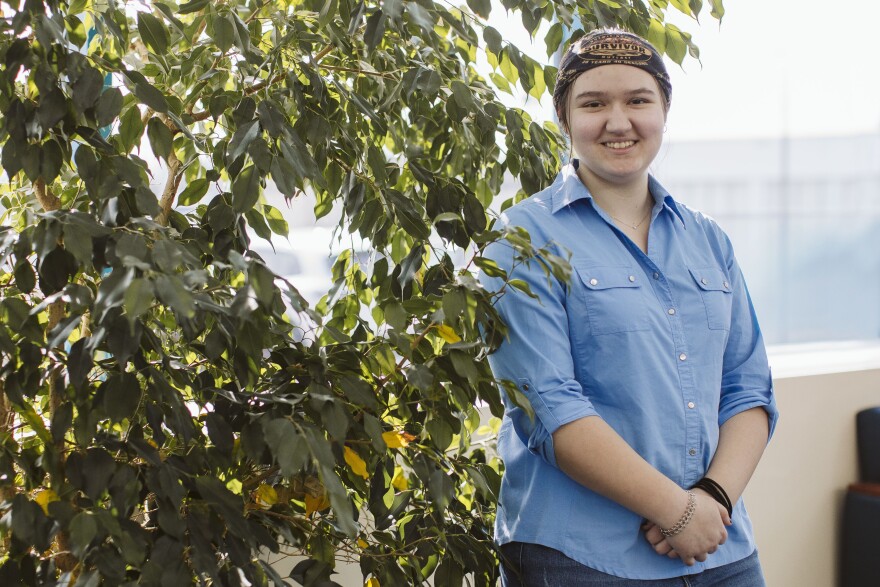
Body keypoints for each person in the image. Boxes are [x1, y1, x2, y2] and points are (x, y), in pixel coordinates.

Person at [480, 28, 779, 585]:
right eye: (594, 103)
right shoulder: (520, 239)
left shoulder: (708, 238)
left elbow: (748, 389)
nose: (619, 122)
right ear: (565, 119)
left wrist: (711, 499)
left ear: (664, 110)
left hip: (720, 551)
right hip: (580, 556)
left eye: (638, 100)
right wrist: (677, 511)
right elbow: (550, 408)